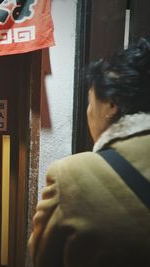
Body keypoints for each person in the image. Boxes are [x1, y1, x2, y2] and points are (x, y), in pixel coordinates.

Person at [28, 36, 150, 267]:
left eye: (90, 101)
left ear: (111, 104)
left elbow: (43, 258)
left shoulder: (71, 175)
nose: (88, 111)